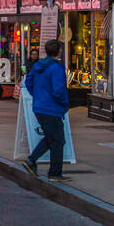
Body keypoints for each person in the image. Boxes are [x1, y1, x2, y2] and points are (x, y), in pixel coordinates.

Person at [21, 39, 70, 181]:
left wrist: (36, 95)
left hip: (40, 107)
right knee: (58, 140)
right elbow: (59, 90)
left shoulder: (37, 66)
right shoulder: (57, 68)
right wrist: (65, 104)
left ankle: (32, 161)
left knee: (52, 138)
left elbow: (28, 82)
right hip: (52, 108)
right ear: (59, 51)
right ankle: (54, 173)